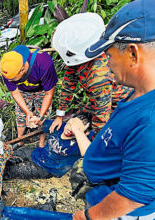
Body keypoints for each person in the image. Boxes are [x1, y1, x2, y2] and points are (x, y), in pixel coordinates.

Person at [72, 0, 155, 219]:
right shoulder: (139, 91)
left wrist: (90, 216)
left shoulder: (150, 119)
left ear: (132, 53)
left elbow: (134, 196)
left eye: (108, 56)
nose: (107, 64)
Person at [50, 13, 133, 134]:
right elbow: (68, 84)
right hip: (101, 99)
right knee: (80, 117)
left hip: (124, 103)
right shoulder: (78, 59)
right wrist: (60, 115)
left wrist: (93, 144)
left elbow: (101, 119)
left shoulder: (98, 76)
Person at [4, 114, 95, 180]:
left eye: (76, 128)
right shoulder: (60, 126)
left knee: (11, 171)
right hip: (39, 152)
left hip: (47, 168)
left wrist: (80, 132)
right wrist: (37, 120)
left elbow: (89, 153)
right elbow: (43, 123)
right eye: (70, 124)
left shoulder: (82, 143)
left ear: (85, 133)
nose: (69, 129)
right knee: (9, 156)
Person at [0, 45, 58, 147]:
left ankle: (41, 143)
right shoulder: (8, 67)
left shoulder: (44, 63)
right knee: (21, 115)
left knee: (44, 117)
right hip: (23, 91)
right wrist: (28, 112)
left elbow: (49, 93)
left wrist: (39, 116)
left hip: (43, 90)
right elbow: (15, 92)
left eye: (13, 79)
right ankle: (20, 141)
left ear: (22, 69)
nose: (9, 81)